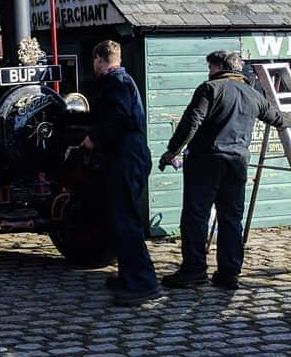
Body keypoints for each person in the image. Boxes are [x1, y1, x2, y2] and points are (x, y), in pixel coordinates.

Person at [159, 50, 286, 290]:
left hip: (206, 161)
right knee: (231, 218)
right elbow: (277, 118)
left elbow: (192, 121)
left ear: (219, 67)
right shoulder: (253, 94)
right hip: (237, 163)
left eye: (210, 66)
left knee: (196, 216)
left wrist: (171, 152)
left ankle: (194, 270)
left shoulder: (209, 89)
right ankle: (229, 273)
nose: (209, 71)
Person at [81, 39, 161, 306]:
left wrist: (94, 138)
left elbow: (118, 116)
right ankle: (129, 275)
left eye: (94, 61)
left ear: (98, 59)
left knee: (125, 221)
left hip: (126, 156)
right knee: (121, 219)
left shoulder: (116, 83)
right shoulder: (124, 81)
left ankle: (143, 282)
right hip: (129, 155)